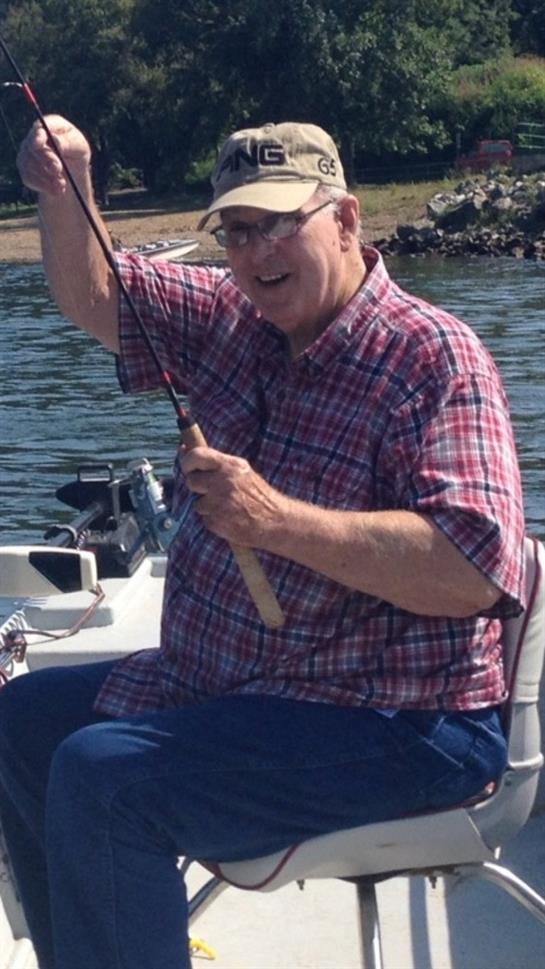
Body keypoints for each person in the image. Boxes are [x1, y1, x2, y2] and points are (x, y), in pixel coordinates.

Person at [0, 118, 526, 969]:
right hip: (242, 689)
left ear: (346, 220)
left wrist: (272, 519)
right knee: (21, 721)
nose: (256, 251)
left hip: (399, 723)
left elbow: (468, 569)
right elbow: (97, 295)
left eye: (280, 222)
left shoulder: (433, 358)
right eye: (238, 231)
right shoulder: (229, 321)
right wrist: (66, 193)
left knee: (107, 780)